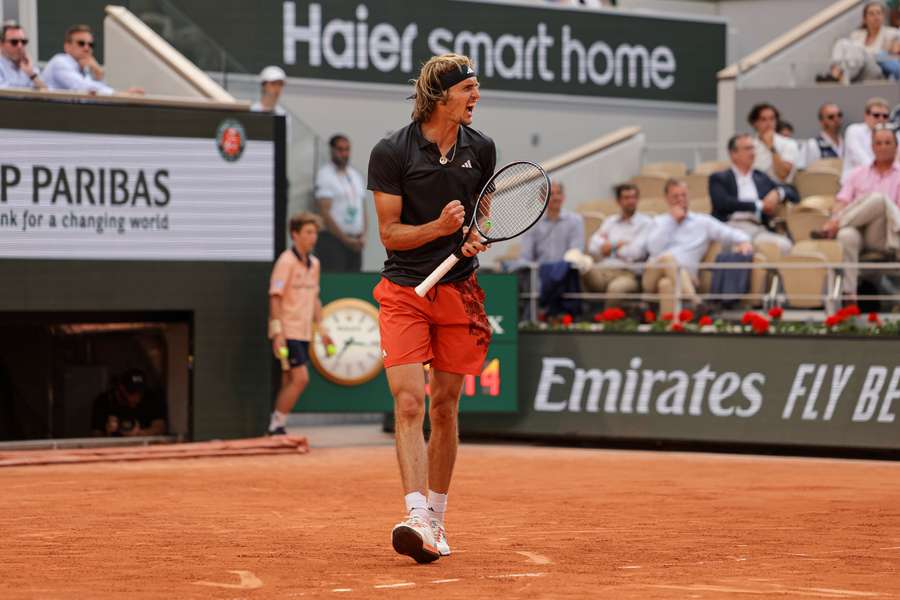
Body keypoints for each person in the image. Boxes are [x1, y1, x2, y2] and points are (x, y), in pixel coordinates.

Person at [367, 53, 494, 563]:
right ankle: (416, 513)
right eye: (468, 88)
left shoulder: (480, 148)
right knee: (408, 403)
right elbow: (390, 235)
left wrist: (474, 235)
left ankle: (436, 519)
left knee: (444, 406)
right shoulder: (390, 151)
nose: (476, 96)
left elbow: (485, 213)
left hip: (458, 290)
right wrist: (440, 230)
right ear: (441, 97)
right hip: (404, 292)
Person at [627, 178, 752, 315]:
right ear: (667, 199)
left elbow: (733, 233)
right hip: (652, 275)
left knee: (666, 284)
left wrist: (744, 241)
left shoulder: (703, 222)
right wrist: (672, 222)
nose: (681, 199)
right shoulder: (658, 222)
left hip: (686, 277)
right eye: (675, 196)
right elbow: (654, 249)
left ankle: (661, 322)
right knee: (667, 258)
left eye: (684, 195)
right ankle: (696, 303)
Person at [267, 211, 334, 436]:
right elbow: (275, 296)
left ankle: (277, 425)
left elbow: (315, 298)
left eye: (314, 232)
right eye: (308, 232)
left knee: (289, 380)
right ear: (294, 235)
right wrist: (278, 334)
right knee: (300, 378)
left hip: (305, 332)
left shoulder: (314, 264)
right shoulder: (285, 262)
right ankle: (277, 424)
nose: (313, 237)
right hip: (287, 331)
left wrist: (322, 329)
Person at [813, 126, 900, 297]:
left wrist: (837, 220)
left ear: (896, 147)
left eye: (888, 143)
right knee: (846, 236)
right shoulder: (856, 173)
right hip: (857, 230)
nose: (883, 147)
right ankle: (849, 295)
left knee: (879, 199)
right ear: (872, 147)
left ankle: (835, 226)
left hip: (885, 234)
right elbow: (841, 201)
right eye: (879, 143)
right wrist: (837, 214)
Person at [709, 133, 798, 256]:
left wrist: (778, 193)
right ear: (733, 154)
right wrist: (759, 205)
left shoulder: (760, 177)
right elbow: (723, 203)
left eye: (753, 148)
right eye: (747, 149)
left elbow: (793, 192)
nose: (752, 152)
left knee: (785, 245)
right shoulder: (720, 178)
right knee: (737, 249)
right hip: (729, 227)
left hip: (756, 228)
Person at [583, 183, 652, 307]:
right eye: (626, 198)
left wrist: (608, 247)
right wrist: (618, 245)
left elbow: (636, 253)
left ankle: (606, 323)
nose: (631, 201)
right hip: (603, 270)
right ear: (618, 201)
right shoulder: (610, 221)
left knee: (615, 289)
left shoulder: (646, 223)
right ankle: (576, 318)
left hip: (628, 274)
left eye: (633, 197)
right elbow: (593, 246)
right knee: (580, 267)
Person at [41, 24, 143, 95]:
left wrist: (98, 74)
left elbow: (97, 93)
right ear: (67, 47)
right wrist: (121, 95)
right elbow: (84, 89)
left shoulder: (84, 68)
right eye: (81, 43)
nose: (87, 48)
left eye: (90, 44)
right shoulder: (60, 61)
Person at [315, 134, 367, 272]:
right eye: (340, 149)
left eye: (347, 149)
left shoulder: (355, 175)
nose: (344, 153)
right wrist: (345, 239)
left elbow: (362, 208)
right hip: (333, 241)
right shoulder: (325, 175)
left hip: (355, 241)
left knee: (353, 285)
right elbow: (325, 212)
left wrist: (363, 235)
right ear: (332, 150)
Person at [823, 1, 899, 83]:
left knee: (857, 48)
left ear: (883, 16)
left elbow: (892, 56)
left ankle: (841, 77)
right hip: (856, 69)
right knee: (841, 42)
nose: (876, 16)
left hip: (875, 69)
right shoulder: (856, 34)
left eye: (879, 13)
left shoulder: (893, 33)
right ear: (865, 18)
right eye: (871, 14)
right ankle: (836, 74)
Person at [519, 181, 584, 263]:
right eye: (551, 194)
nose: (556, 197)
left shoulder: (575, 220)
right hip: (539, 272)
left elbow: (576, 252)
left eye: (559, 193)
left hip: (567, 272)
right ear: (542, 198)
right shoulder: (533, 224)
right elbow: (525, 256)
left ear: (563, 197)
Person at [91, 369, 166, 437]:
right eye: (132, 392)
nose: (137, 397)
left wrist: (139, 433)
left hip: (144, 447)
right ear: (121, 388)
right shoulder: (105, 401)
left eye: (140, 392)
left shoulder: (151, 398)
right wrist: (108, 432)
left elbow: (160, 428)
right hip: (114, 448)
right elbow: (96, 435)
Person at [842, 97, 895, 182]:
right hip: (855, 184)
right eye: (876, 115)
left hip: (886, 181)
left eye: (885, 116)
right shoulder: (854, 130)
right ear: (866, 116)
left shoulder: (893, 134)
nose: (881, 119)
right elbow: (862, 159)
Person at [748, 103, 800, 184]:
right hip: (752, 187)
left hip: (780, 187)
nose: (769, 123)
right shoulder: (749, 145)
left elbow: (782, 175)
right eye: (763, 119)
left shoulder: (789, 143)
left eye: (772, 119)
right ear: (755, 123)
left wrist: (771, 147)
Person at [0, 22, 46, 90]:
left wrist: (32, 75)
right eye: (14, 42)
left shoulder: (29, 66)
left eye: (23, 42)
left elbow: (46, 94)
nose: (20, 46)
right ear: (1, 44)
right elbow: (5, 95)